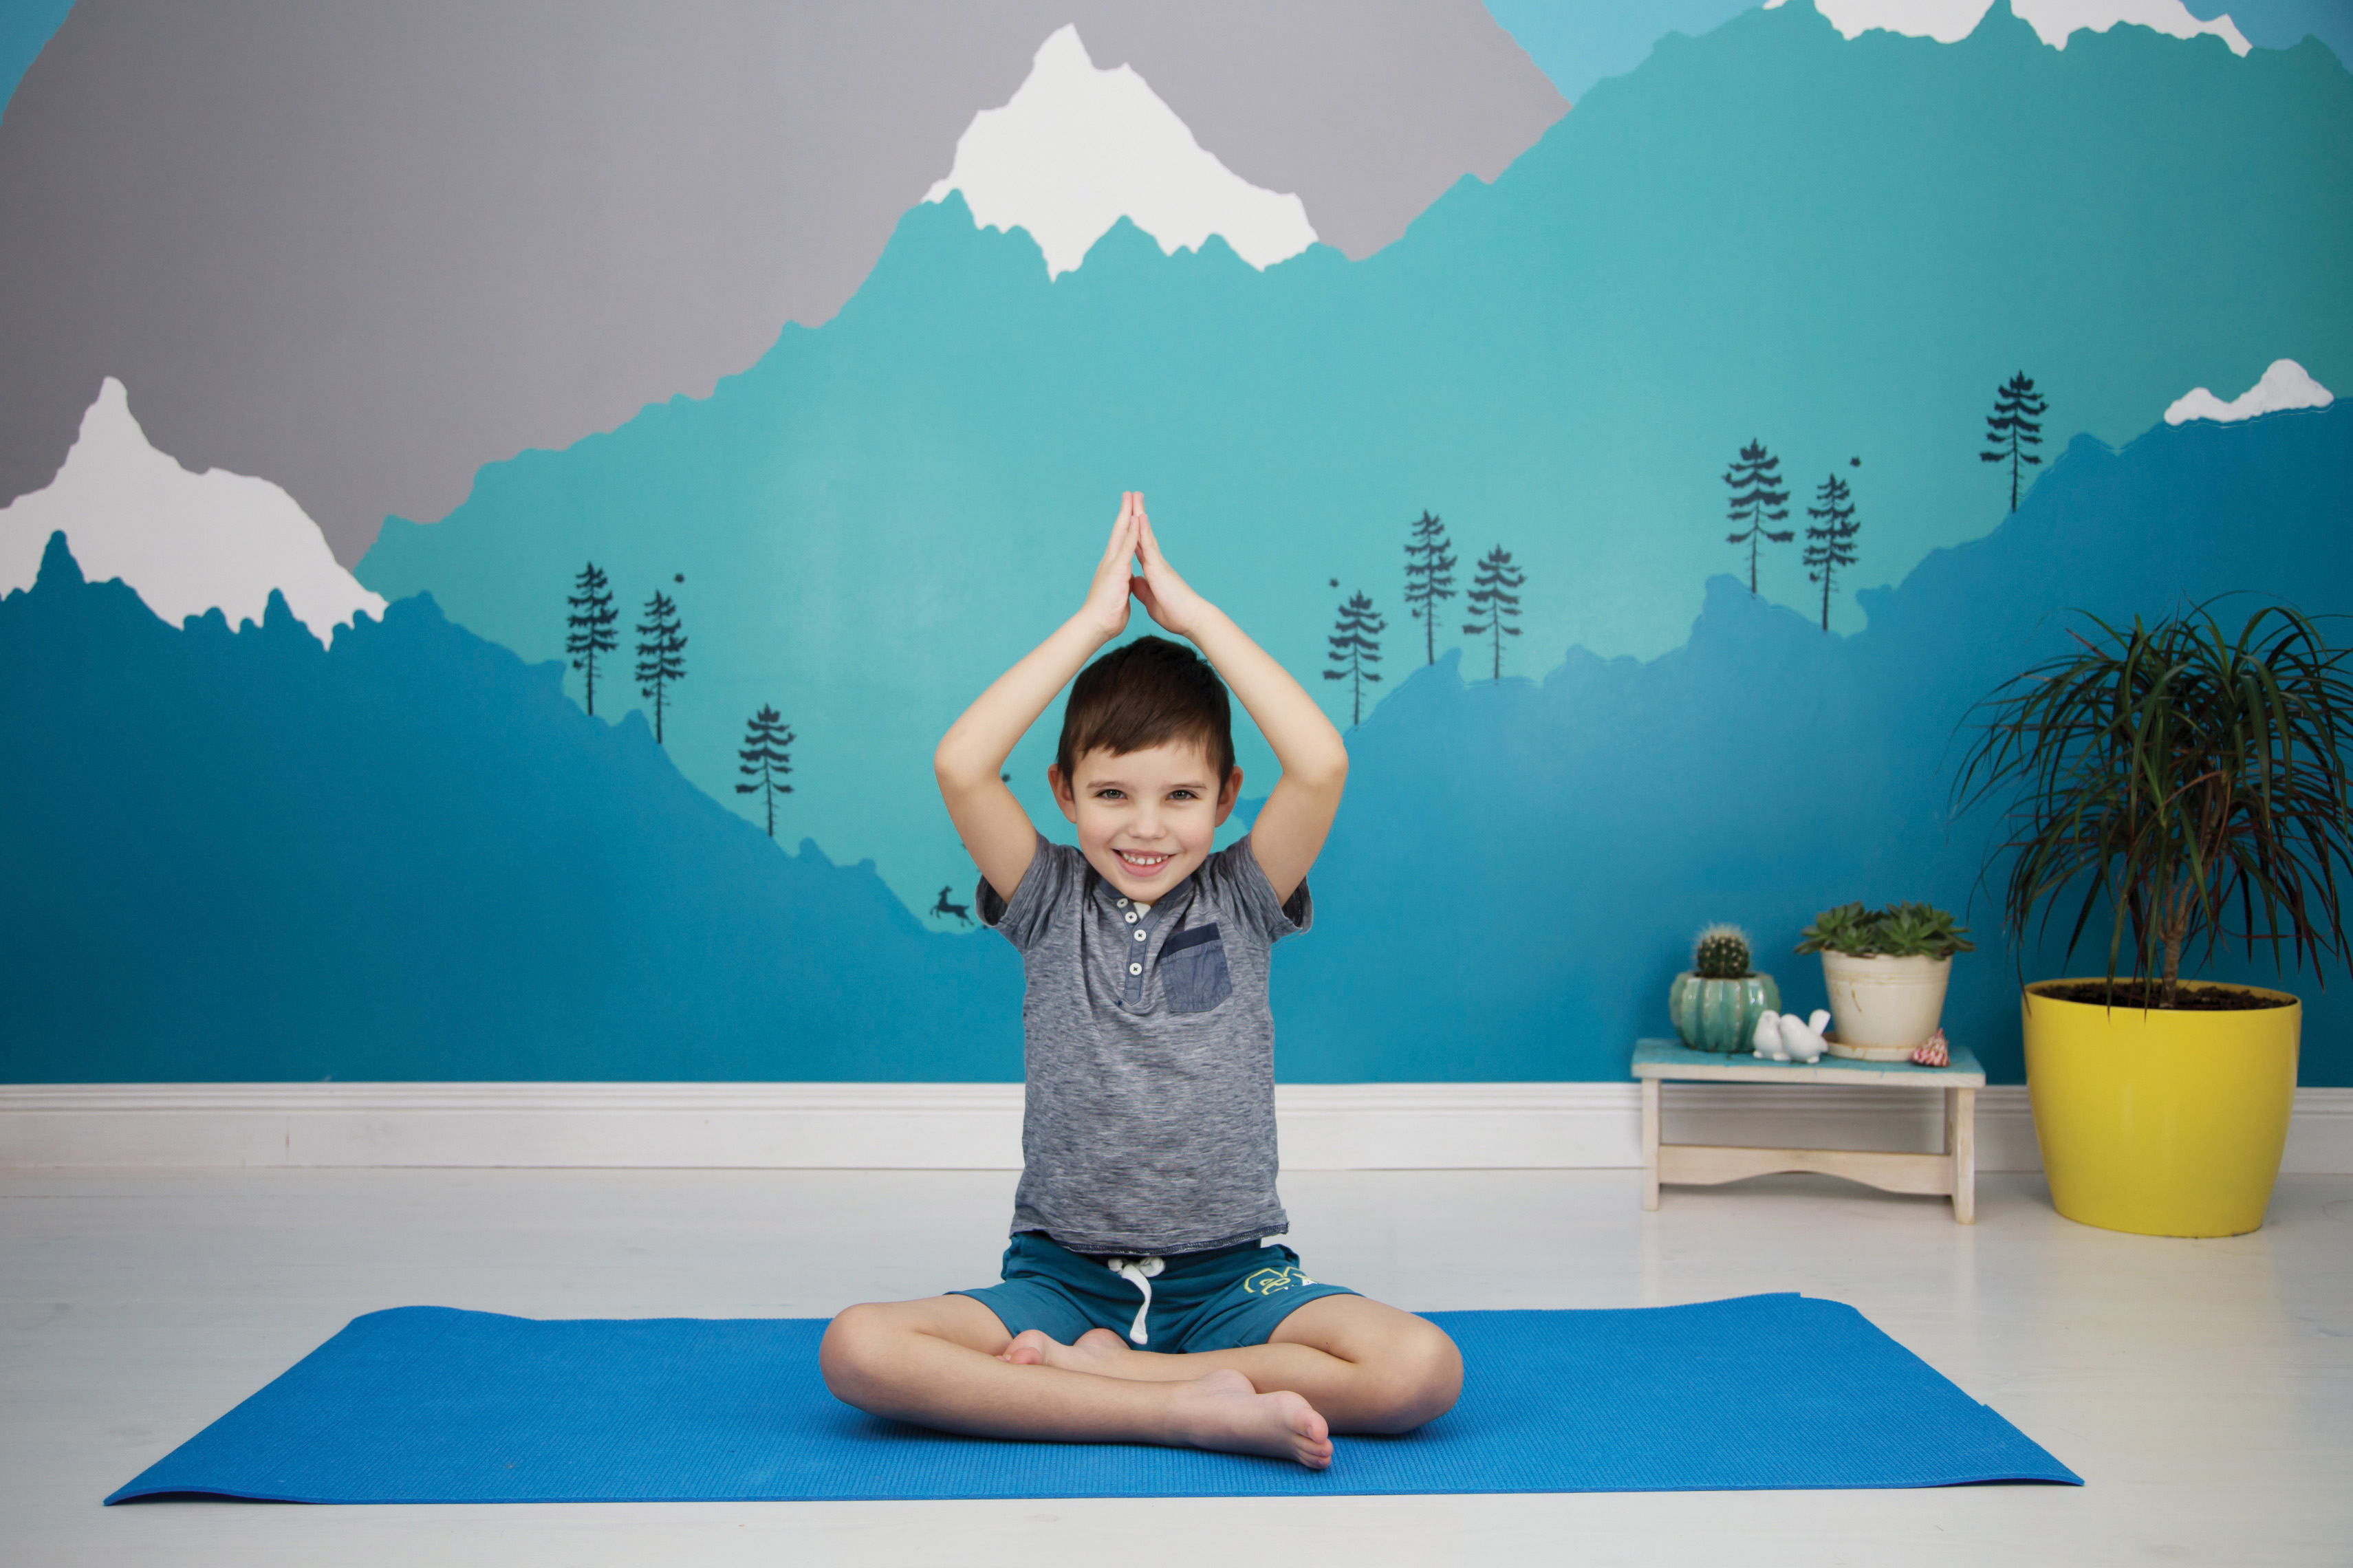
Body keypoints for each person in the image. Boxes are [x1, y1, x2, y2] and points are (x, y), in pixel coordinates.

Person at [819, 493, 1462, 1469]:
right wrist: (1090, 627)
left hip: (1234, 1285)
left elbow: (1321, 763)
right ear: (1065, 793)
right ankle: (1177, 1410)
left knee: (1421, 1369)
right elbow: (960, 763)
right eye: (1112, 795)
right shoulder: (1043, 898)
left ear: (1226, 798)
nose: (1145, 828)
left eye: (1180, 797)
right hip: (1061, 1287)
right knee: (857, 1349)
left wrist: (1196, 620)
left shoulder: (1245, 896)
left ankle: (1105, 1381)